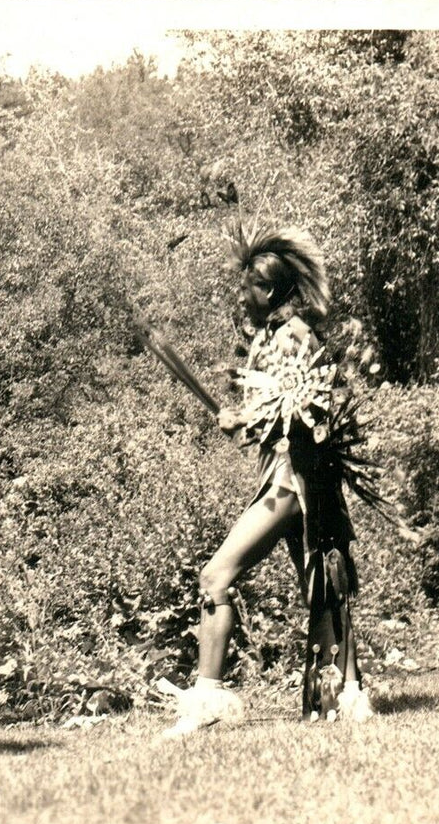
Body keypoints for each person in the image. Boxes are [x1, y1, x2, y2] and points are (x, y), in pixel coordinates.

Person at [163, 224, 381, 737]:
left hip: (293, 485)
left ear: (274, 291)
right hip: (284, 480)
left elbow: (304, 408)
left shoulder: (296, 335)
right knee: (323, 593)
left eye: (251, 288)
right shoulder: (268, 340)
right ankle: (348, 698)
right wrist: (244, 416)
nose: (243, 296)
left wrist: (245, 418)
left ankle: (208, 700)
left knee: (215, 577)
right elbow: (273, 408)